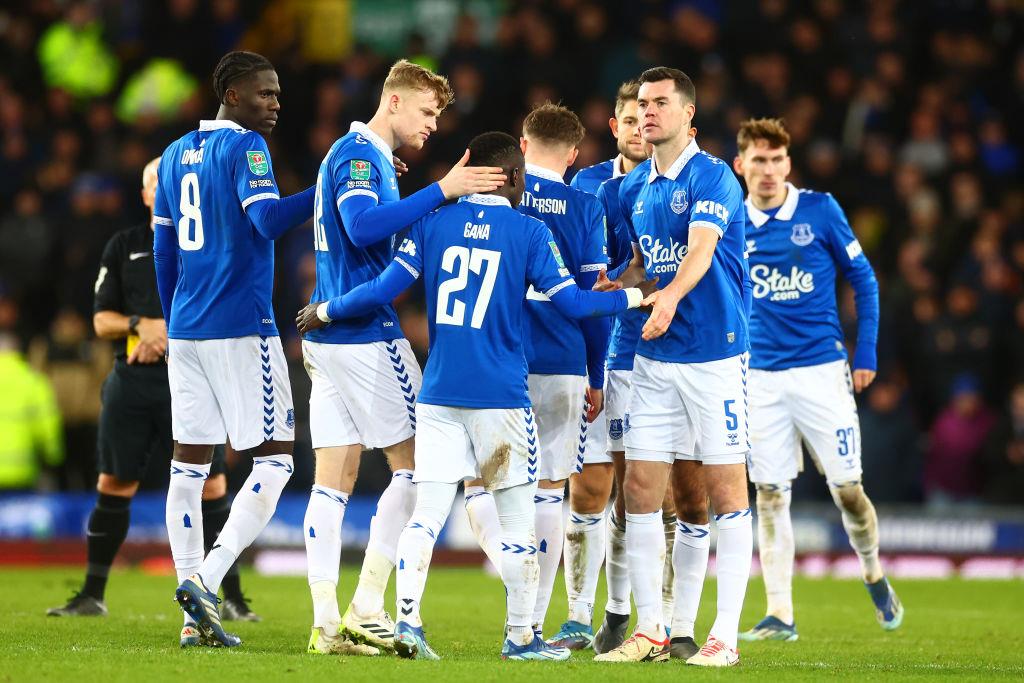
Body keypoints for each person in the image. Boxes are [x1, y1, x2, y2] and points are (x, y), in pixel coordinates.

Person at [297, 131, 652, 660]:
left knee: (426, 516)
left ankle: (409, 624)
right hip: (501, 397)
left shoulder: (432, 222)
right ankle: (521, 637)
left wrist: (327, 309)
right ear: (513, 176)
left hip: (439, 394)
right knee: (518, 522)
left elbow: (382, 289)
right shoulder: (528, 231)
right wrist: (637, 295)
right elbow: (576, 305)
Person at [296, 58, 505, 655]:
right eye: (427, 111)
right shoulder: (360, 157)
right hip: (365, 336)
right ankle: (367, 605)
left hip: (328, 339)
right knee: (422, 466)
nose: (433, 124)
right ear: (393, 102)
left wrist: (401, 187)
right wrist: (443, 191)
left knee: (332, 482)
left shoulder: (360, 158)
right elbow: (363, 227)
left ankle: (326, 624)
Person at [46, 158, 258, 636]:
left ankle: (232, 598)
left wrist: (171, 332)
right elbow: (101, 320)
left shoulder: (208, 243)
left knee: (211, 486)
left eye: (169, 181)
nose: (162, 188)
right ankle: (92, 595)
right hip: (136, 380)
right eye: (153, 183)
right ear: (144, 195)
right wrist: (141, 325)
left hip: (194, 377)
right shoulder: (124, 246)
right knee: (115, 482)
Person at [151, 51, 317, 649]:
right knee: (275, 460)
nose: (275, 103)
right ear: (231, 94)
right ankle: (207, 580)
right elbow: (268, 221)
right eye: (265, 93)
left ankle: (191, 614)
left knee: (188, 465)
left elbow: (165, 252)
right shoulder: (246, 147)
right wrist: (326, 189)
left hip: (188, 329)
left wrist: (174, 322)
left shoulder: (173, 154)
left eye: (278, 93)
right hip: (243, 326)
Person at [593, 67, 751, 666]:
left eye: (661, 102)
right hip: (655, 358)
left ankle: (725, 637)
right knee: (638, 486)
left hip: (715, 354)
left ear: (689, 114)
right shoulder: (635, 187)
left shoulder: (713, 176)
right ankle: (651, 630)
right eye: (641, 103)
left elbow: (700, 251)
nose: (648, 112)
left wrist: (669, 299)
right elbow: (646, 259)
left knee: (725, 488)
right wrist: (623, 281)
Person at [732, 118, 903, 641]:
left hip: (821, 372)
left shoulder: (820, 210)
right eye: (758, 160)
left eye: (776, 160)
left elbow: (864, 279)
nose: (768, 170)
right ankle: (780, 613)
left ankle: (872, 571)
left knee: (848, 490)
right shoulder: (728, 219)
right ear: (740, 165)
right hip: (759, 377)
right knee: (770, 493)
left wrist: (865, 350)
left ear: (788, 163)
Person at [555, 81, 675, 654]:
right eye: (628, 119)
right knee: (586, 489)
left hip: (639, 349)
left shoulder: (666, 189)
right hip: (590, 348)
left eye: (645, 118)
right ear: (614, 126)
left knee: (638, 489)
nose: (638, 129)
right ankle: (578, 618)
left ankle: (621, 611)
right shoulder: (584, 186)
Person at [515, 102, 610, 640]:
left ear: (522, 144)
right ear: (574, 155)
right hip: (563, 361)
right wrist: (596, 374)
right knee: (552, 490)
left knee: (483, 485)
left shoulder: (499, 193)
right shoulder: (585, 206)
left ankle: (410, 612)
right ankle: (530, 622)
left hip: (500, 356)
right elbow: (593, 300)